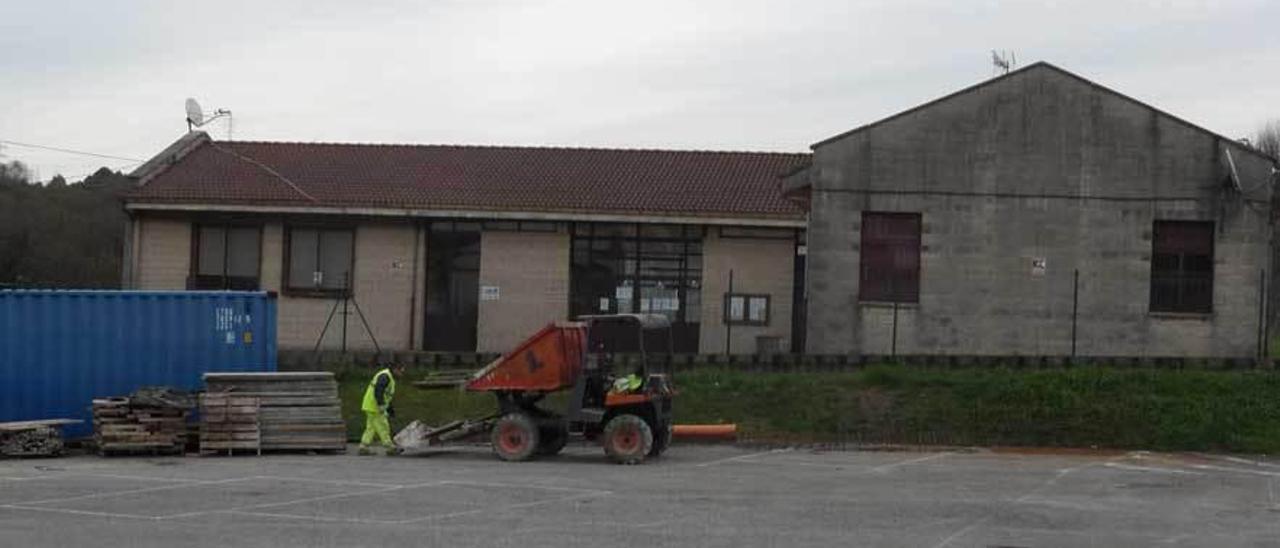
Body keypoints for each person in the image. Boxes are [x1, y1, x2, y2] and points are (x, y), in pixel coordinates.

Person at [358, 362, 405, 456]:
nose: (402, 374)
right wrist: (380, 404)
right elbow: (378, 390)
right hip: (375, 406)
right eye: (401, 371)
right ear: (396, 369)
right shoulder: (385, 376)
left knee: (371, 427)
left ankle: (363, 446)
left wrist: (390, 409)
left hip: (370, 405)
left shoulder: (387, 376)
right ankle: (390, 447)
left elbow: (386, 395)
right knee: (383, 426)